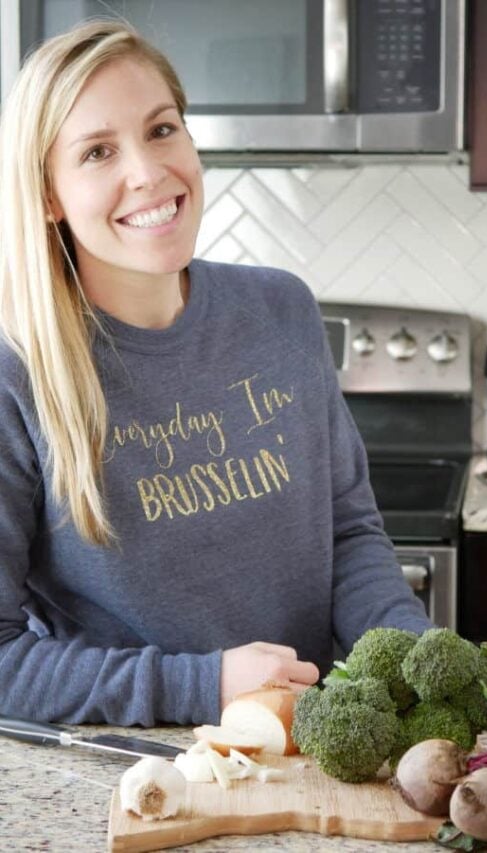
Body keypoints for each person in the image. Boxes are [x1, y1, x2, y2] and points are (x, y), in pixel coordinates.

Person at [0, 20, 431, 727]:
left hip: (301, 754)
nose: (148, 172)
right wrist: (202, 684)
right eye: (98, 151)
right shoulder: (16, 372)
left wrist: (419, 660)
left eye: (161, 129)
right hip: (138, 773)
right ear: (48, 195)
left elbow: (350, 535)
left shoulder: (281, 310)